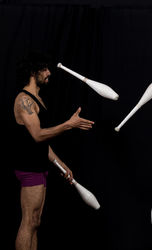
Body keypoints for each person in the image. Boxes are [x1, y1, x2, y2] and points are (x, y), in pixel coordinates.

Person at [13, 51, 95, 250]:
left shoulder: (38, 99)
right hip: (29, 168)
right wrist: (69, 124)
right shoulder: (24, 100)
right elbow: (38, 135)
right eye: (45, 69)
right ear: (34, 71)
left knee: (35, 222)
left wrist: (60, 164)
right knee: (28, 222)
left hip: (40, 167)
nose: (49, 72)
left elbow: (43, 142)